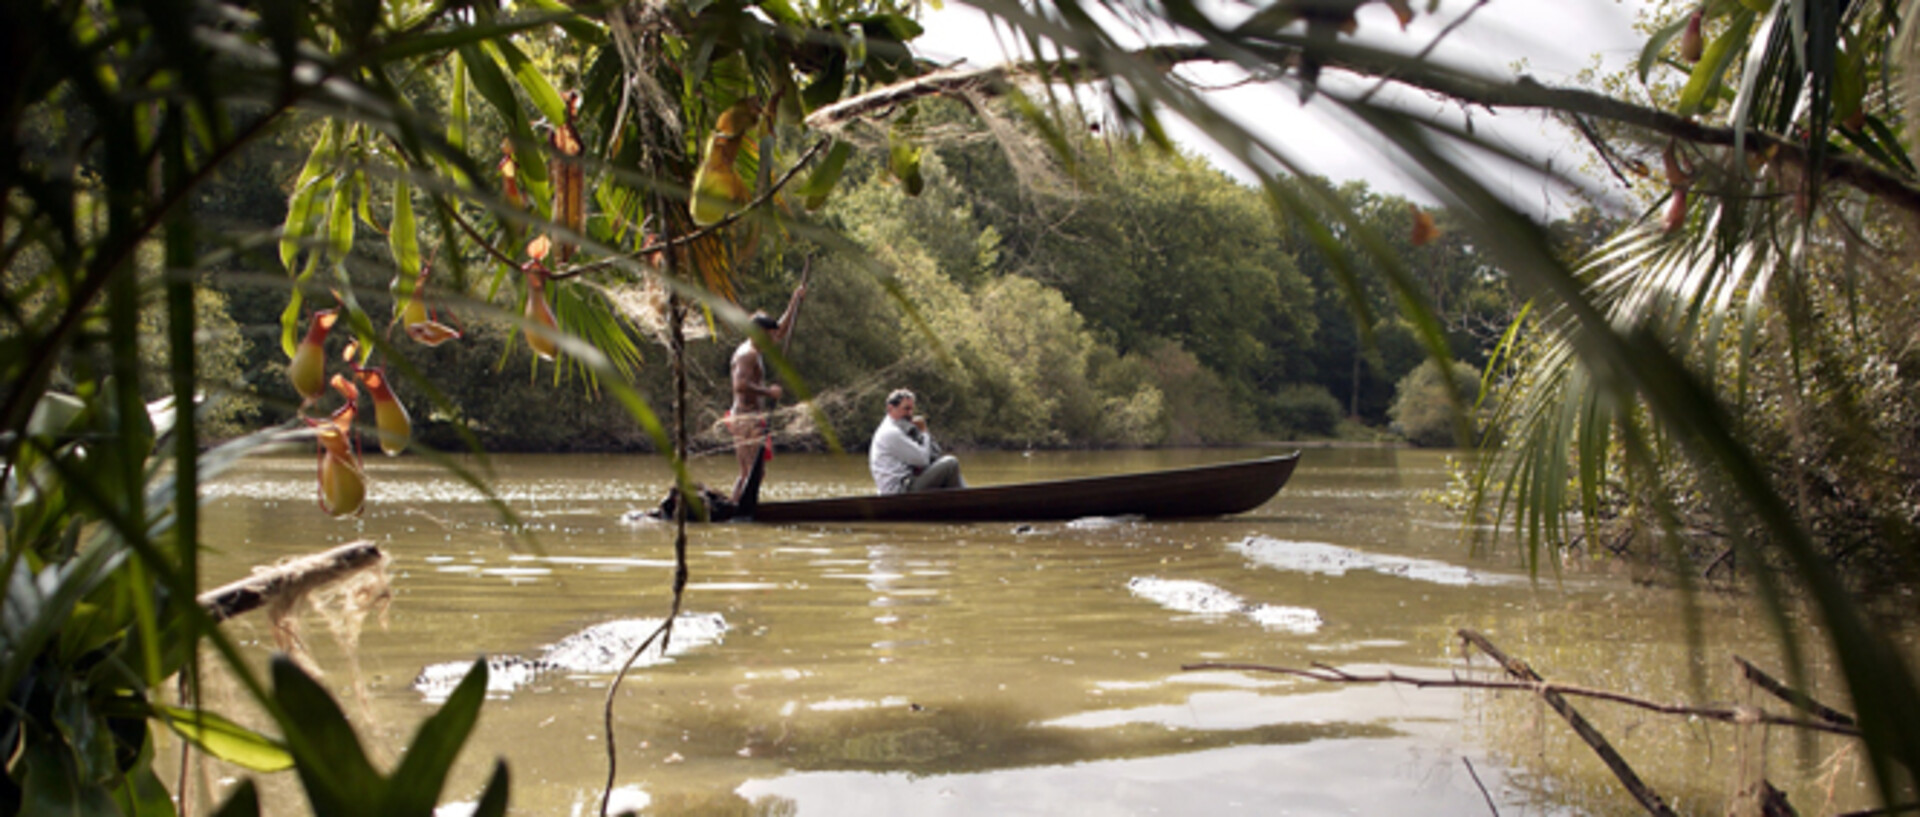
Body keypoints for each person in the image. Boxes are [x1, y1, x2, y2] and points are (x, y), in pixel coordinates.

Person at [729, 282, 806, 505]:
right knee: (752, 473)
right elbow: (740, 385)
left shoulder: (757, 347)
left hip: (750, 416)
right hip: (745, 418)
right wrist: (768, 391)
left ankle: (736, 506)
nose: (774, 338)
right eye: (770, 335)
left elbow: (781, 330)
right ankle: (739, 509)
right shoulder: (747, 354)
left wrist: (794, 301)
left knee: (749, 472)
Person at [869, 388, 964, 495]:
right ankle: (968, 503)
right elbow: (923, 459)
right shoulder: (891, 432)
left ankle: (960, 504)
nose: (910, 414)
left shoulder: (897, 427)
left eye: (911, 409)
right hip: (898, 490)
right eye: (906, 409)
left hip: (900, 485)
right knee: (951, 464)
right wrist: (924, 432)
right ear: (891, 408)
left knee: (943, 472)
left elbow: (932, 455)